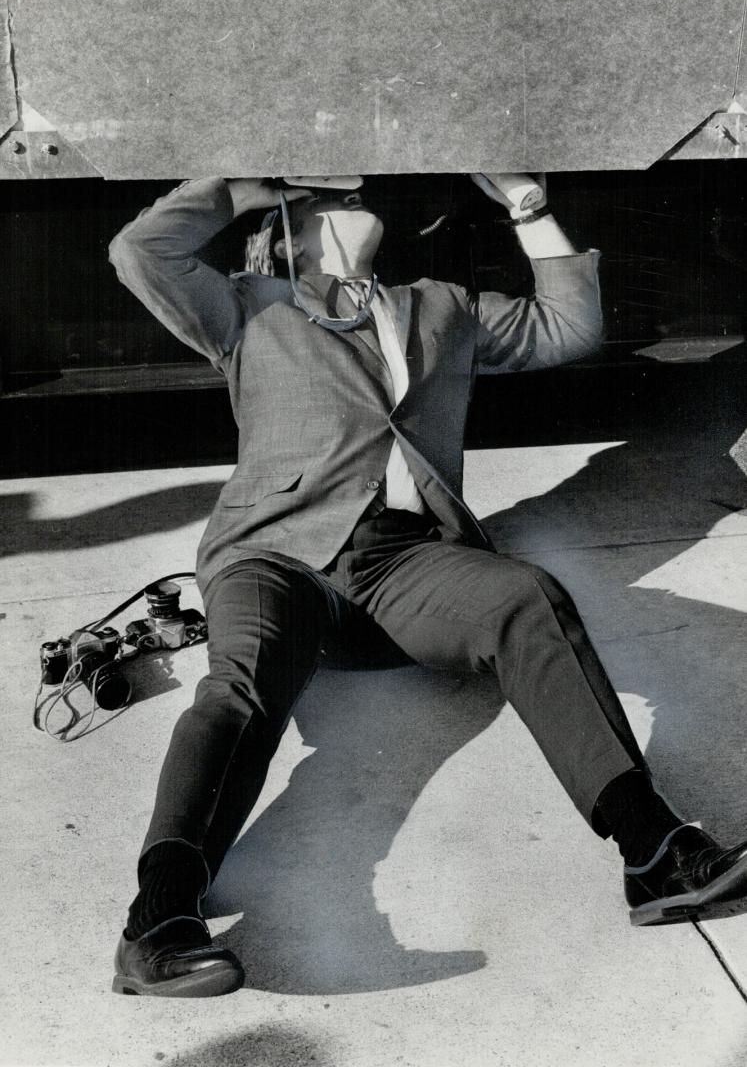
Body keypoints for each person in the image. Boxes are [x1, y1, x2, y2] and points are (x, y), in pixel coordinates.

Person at [108, 173, 747, 998]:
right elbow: (139, 250)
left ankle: (655, 853)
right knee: (241, 686)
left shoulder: (438, 305)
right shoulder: (247, 307)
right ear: (290, 232)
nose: (352, 192)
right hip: (276, 556)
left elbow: (569, 325)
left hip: (407, 566)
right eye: (325, 197)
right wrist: (238, 184)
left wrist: (527, 202)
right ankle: (159, 918)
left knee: (526, 596)